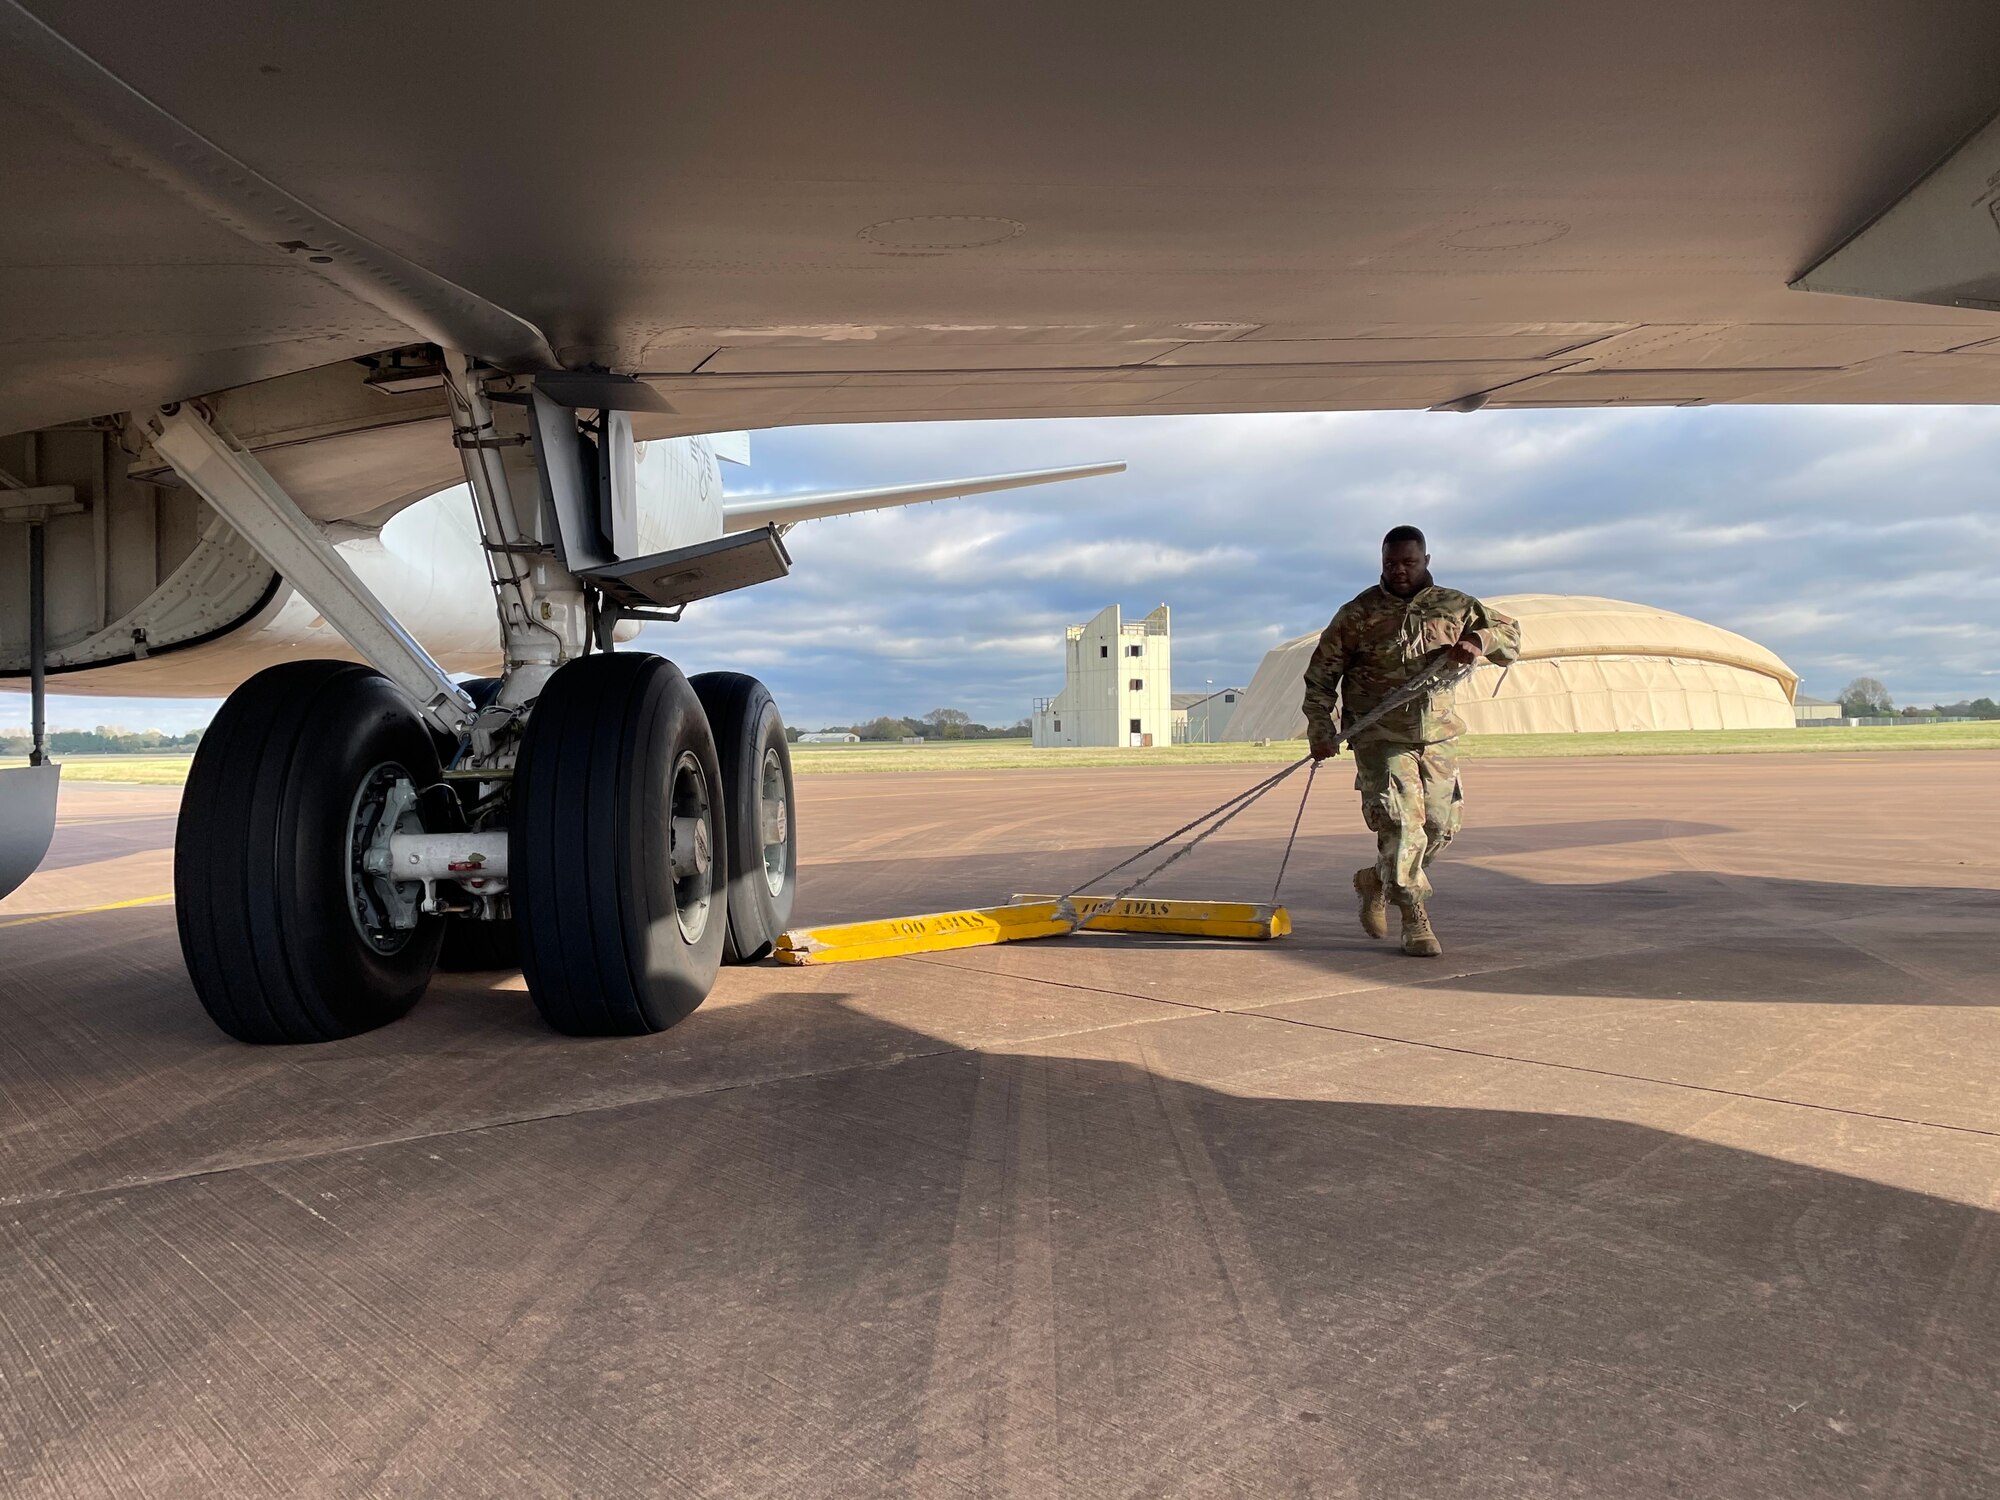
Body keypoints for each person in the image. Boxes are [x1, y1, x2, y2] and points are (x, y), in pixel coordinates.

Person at [1301, 526, 1520, 957]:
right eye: (1390, 564)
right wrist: (1320, 728)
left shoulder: (1456, 605)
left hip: (1437, 737)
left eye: (1409, 563)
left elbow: (1511, 639)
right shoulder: (1357, 614)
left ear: (1426, 560)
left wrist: (1479, 640)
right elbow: (1321, 677)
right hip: (1380, 736)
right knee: (1401, 827)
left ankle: (1376, 879)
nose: (1399, 571)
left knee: (1439, 828)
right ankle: (1414, 916)